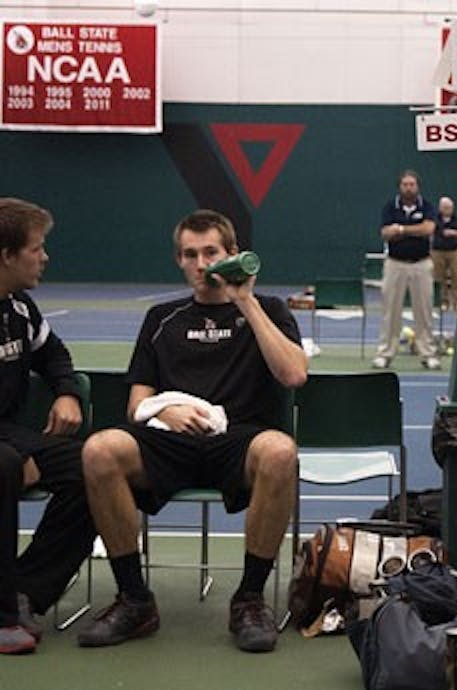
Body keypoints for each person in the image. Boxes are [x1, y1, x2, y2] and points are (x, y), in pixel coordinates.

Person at [76, 210, 307, 653]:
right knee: (99, 449)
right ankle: (135, 600)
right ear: (179, 260)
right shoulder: (162, 317)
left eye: (211, 253)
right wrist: (167, 408)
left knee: (280, 451)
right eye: (190, 254)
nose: (201, 264)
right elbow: (136, 404)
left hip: (239, 440)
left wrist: (246, 301)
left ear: (232, 255)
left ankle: (249, 600)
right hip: (169, 441)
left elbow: (294, 374)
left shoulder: (269, 309)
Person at [0, 198, 95, 655]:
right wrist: (19, 455)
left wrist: (67, 392)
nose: (45, 257)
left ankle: (24, 592)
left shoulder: (19, 308)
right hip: (6, 445)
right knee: (4, 465)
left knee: (97, 467)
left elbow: (54, 354)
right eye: (36, 248)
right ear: (7, 256)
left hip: (8, 434)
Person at [372, 170, 440, 370]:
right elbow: (385, 233)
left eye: (412, 184)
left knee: (424, 311)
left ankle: (427, 353)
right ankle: (385, 353)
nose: (409, 188)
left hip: (421, 264)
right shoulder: (390, 207)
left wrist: (401, 229)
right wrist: (412, 230)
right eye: (405, 184)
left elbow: (428, 229)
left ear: (417, 187)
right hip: (395, 264)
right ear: (399, 187)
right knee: (391, 311)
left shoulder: (427, 206)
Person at [430, 196, 457, 312]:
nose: (448, 210)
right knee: (439, 277)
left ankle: (456, 302)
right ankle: (443, 302)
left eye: (450, 207)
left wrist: (453, 233)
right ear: (440, 208)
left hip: (454, 251)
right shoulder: (434, 220)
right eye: (445, 207)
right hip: (438, 251)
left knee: (456, 276)